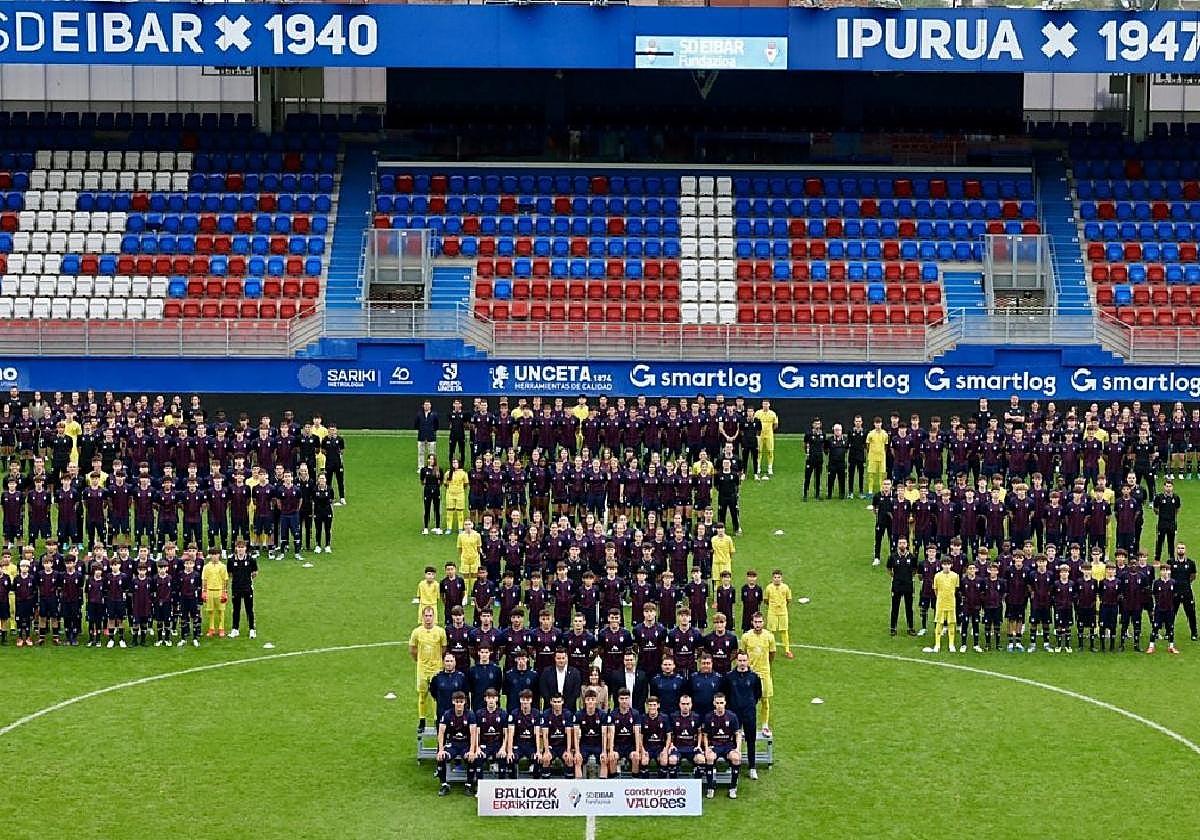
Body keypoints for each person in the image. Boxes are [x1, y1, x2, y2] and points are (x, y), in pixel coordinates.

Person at [701, 692, 742, 799]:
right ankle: (710, 788)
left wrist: (737, 748)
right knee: (709, 757)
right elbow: (704, 735)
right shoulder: (709, 717)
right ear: (714, 703)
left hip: (728, 746)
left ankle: (733, 788)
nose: (719, 705)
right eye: (717, 703)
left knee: (736, 758)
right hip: (714, 746)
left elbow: (738, 734)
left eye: (721, 703)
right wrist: (706, 749)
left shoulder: (732, 716)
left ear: (725, 703)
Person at [740, 612, 775, 738]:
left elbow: (772, 654)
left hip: (764, 673)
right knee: (748, 702)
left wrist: (766, 666)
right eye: (756, 622)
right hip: (750, 674)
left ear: (763, 622)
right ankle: (745, 727)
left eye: (760, 622)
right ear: (752, 622)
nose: (758, 624)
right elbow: (742, 654)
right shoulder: (746, 637)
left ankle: (765, 726)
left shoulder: (769, 636)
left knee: (765, 700)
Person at [436, 691, 476, 797]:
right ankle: (444, 784)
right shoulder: (447, 714)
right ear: (453, 702)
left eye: (461, 702)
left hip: (465, 744)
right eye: (457, 702)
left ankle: (469, 785)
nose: (459, 704)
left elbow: (473, 734)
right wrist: (440, 750)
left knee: (472, 758)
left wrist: (472, 751)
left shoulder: (470, 714)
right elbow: (441, 732)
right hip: (453, 744)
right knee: (441, 757)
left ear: (465, 702)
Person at [227, 539, 258, 640]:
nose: (240, 549)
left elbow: (254, 573)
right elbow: (230, 573)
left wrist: (246, 580)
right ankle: (235, 629)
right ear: (236, 548)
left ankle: (252, 629)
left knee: (249, 609)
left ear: (245, 548)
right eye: (239, 547)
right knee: (236, 609)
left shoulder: (251, 559)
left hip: (247, 588)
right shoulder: (231, 560)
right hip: (236, 588)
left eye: (242, 547)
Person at [928, 557, 959, 655]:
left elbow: (956, 588)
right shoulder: (937, 576)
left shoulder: (955, 576)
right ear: (941, 565)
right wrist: (940, 598)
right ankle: (937, 644)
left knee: (951, 623)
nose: (946, 566)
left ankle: (951, 644)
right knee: (939, 623)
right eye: (944, 564)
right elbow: (935, 590)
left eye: (948, 564)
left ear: (951, 565)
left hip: (951, 603)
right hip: (941, 603)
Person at [1148, 563, 1180, 655]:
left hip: (1169, 609)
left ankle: (1171, 647)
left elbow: (1175, 596)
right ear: (1160, 572)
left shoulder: (1173, 582)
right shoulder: (1157, 583)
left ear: (1169, 571)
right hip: (1159, 609)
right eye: (1163, 570)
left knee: (1170, 628)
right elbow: (1154, 595)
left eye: (1166, 570)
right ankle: (1151, 646)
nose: (1164, 572)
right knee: (1155, 627)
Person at [537, 647, 582, 712]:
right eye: (558, 658)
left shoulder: (575, 673)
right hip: (550, 710)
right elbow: (544, 691)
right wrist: (554, 704)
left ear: (567, 658)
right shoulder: (546, 672)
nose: (561, 661)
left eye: (563, 658)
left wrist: (565, 707)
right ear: (555, 658)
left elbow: (576, 692)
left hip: (569, 710)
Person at [1169, 541, 1198, 641]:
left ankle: (1194, 633)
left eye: (1182, 548)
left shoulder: (1191, 563)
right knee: (1172, 613)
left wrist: (1185, 584)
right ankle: (1169, 632)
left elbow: (1193, 576)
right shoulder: (1171, 562)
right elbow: (1168, 576)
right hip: (1174, 593)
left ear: (1185, 550)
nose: (1180, 550)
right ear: (1176, 550)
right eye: (1179, 548)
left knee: (1191, 614)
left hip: (1187, 592)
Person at [887, 541, 917, 636]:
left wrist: (909, 577)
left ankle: (910, 628)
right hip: (897, 586)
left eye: (904, 543)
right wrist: (895, 577)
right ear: (898, 544)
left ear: (907, 544)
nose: (902, 545)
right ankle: (893, 628)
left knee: (909, 608)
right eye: (900, 543)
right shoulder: (893, 556)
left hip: (908, 586)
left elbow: (915, 570)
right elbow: (889, 569)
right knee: (895, 607)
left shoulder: (912, 557)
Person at [762, 568, 794, 657]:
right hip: (772, 612)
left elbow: (788, 599)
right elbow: (765, 600)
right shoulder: (768, 588)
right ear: (772, 578)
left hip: (783, 612)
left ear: (781, 578)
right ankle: (769, 649)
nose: (777, 579)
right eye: (775, 577)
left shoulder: (786, 587)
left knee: (784, 630)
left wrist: (782, 606)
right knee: (770, 631)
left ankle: (787, 650)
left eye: (778, 577)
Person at [201, 547, 228, 638]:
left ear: (219, 555)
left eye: (216, 554)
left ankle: (221, 628)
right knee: (210, 611)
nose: (214, 556)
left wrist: (225, 592)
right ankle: (211, 628)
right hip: (209, 591)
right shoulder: (206, 567)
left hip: (219, 591)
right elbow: (204, 580)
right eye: (212, 554)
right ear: (210, 556)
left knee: (221, 611)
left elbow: (225, 580)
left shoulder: (223, 567)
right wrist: (204, 591)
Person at [1152, 480, 1181, 564]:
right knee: (1160, 541)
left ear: (1172, 487)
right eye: (1167, 486)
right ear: (1164, 487)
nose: (1168, 488)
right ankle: (1157, 559)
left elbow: (1177, 509)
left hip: (1172, 523)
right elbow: (1155, 508)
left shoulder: (1176, 498)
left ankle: (1172, 559)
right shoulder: (1159, 497)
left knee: (1171, 541)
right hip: (1162, 523)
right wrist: (1161, 514)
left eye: (1170, 486)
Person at [419, 455, 443, 536]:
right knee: (427, 509)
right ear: (428, 460)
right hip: (427, 491)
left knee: (437, 509)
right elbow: (422, 481)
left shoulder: (439, 469)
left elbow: (441, 481)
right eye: (430, 459)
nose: (431, 460)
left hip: (436, 490)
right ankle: (425, 528)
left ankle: (438, 528)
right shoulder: (424, 470)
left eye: (433, 459)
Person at [443, 458, 468, 535]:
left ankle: (460, 528)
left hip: (460, 494)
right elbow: (445, 483)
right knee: (449, 511)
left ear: (459, 464)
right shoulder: (448, 473)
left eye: (456, 462)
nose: (454, 464)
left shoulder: (463, 473)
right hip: (450, 494)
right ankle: (449, 528)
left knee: (460, 512)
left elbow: (466, 484)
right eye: (453, 462)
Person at [415, 401, 439, 472]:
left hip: (431, 438)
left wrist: (431, 432)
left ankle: (431, 467)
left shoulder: (434, 414)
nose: (426, 406)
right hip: (421, 437)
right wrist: (422, 432)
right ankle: (420, 467)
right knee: (420, 453)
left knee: (431, 453)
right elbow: (416, 425)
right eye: (425, 405)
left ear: (430, 406)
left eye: (428, 405)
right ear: (423, 406)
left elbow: (436, 426)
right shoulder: (419, 414)